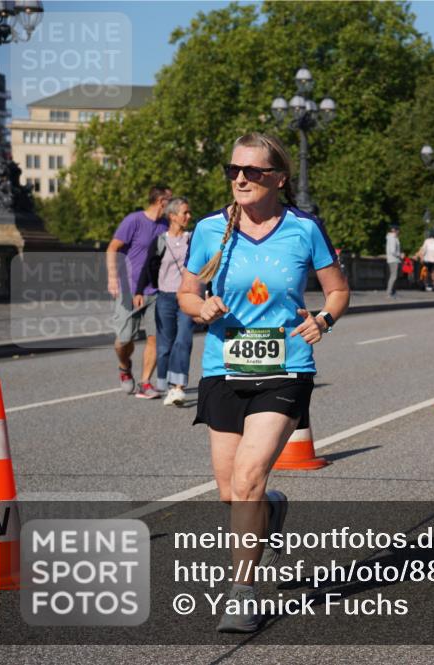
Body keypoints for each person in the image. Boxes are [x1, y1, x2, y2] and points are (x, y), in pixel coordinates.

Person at [177, 133, 349, 632]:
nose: (240, 179)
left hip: (286, 367)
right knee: (233, 493)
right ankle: (271, 510)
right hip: (222, 369)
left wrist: (324, 320)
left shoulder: (303, 229)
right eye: (234, 170)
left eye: (252, 171)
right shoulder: (211, 230)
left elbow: (337, 289)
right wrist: (200, 305)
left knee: (251, 475)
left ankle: (242, 592)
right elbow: (187, 292)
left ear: (278, 177)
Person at [107, 185, 172, 398]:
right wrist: (112, 278)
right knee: (124, 339)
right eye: (170, 200)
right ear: (161, 201)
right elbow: (112, 248)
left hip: (155, 290)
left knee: (154, 338)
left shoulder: (166, 225)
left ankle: (145, 382)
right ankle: (125, 367)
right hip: (128, 288)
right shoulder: (133, 220)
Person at [136, 197, 194, 406]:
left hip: (187, 297)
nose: (188, 216)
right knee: (164, 345)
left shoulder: (192, 238)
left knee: (184, 339)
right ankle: (168, 386)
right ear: (172, 216)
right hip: (165, 298)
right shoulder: (160, 241)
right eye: (184, 213)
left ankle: (178, 387)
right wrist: (139, 291)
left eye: (188, 213)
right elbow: (148, 266)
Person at [385, 224, 402, 298]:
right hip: (393, 259)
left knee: (394, 276)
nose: (399, 231)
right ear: (394, 230)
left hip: (394, 259)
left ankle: (393, 292)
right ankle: (389, 292)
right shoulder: (392, 238)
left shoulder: (393, 237)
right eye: (397, 230)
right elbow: (393, 251)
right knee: (393, 276)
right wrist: (400, 255)